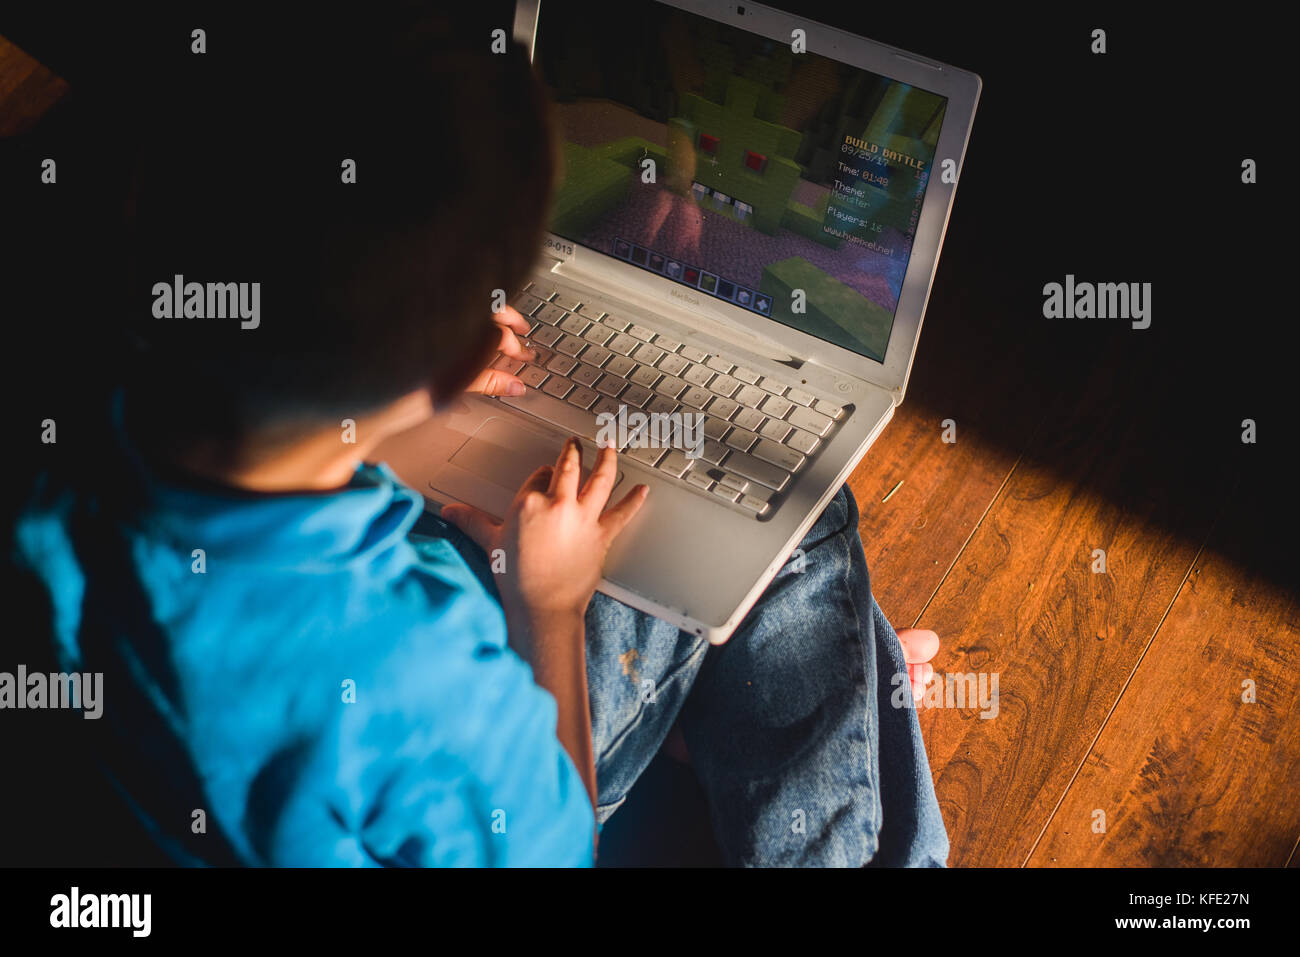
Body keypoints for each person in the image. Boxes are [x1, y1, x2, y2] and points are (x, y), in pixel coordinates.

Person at [10, 9, 947, 866]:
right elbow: (552, 849)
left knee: (753, 576)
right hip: (498, 756)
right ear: (457, 361)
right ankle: (831, 723)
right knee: (803, 517)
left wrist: (399, 392)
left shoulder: (80, 441)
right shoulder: (418, 667)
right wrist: (550, 604)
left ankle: (813, 692)